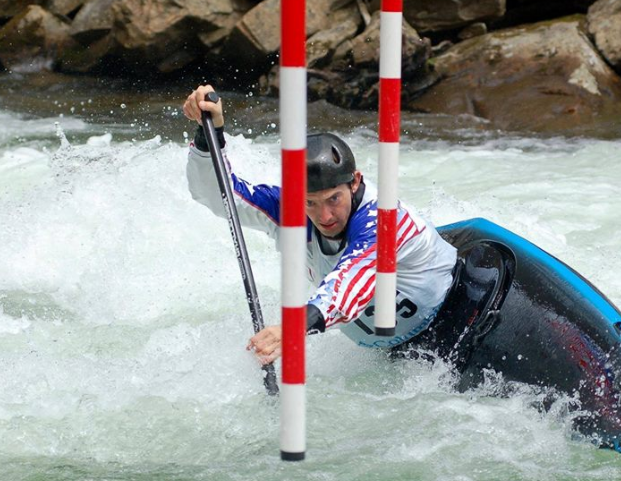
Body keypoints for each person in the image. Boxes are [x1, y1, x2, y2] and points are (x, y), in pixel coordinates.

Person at [182, 84, 460, 365]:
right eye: (310, 202)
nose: (325, 216)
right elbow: (220, 196)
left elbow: (348, 285)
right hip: (391, 355)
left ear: (355, 182)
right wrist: (209, 135)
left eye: (333, 199)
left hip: (458, 317)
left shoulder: (384, 220)